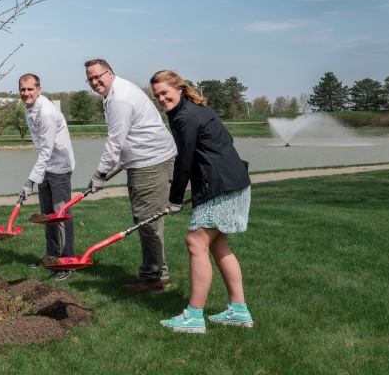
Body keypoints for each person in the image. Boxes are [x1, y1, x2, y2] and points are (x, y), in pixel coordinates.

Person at [150, 69, 253, 334]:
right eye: (157, 95)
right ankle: (238, 310)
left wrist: (173, 200)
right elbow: (226, 139)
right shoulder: (195, 109)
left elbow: (184, 161)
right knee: (218, 243)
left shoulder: (185, 116)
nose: (162, 99)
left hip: (221, 185)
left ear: (179, 88)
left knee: (195, 241)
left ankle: (194, 317)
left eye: (165, 92)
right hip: (234, 181)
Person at [85, 58, 177, 292]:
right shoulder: (115, 93)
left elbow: (115, 142)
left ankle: (154, 278)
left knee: (147, 220)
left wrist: (99, 173)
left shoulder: (120, 98)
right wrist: (111, 170)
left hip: (151, 162)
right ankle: (154, 273)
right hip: (142, 161)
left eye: (98, 76)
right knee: (145, 219)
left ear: (110, 72)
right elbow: (128, 138)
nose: (95, 82)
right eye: (90, 79)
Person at [17, 73, 77, 282]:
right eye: (23, 90)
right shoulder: (29, 109)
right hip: (45, 167)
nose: (26, 93)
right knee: (47, 215)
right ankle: (52, 256)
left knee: (61, 216)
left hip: (59, 167)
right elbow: (40, 148)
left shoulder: (47, 112)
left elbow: (46, 150)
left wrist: (29, 181)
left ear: (39, 89)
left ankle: (68, 261)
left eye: (30, 89)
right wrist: (36, 176)